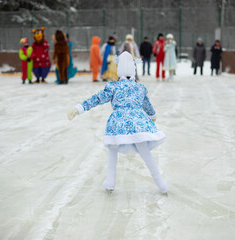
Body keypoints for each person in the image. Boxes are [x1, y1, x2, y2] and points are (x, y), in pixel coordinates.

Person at [67, 52, 168, 194]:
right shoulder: (139, 88)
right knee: (143, 148)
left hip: (118, 121)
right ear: (134, 71)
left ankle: (111, 180)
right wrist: (152, 116)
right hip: (138, 121)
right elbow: (147, 105)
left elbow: (97, 99)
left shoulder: (113, 87)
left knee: (113, 147)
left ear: (118, 71)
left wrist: (80, 108)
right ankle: (160, 182)